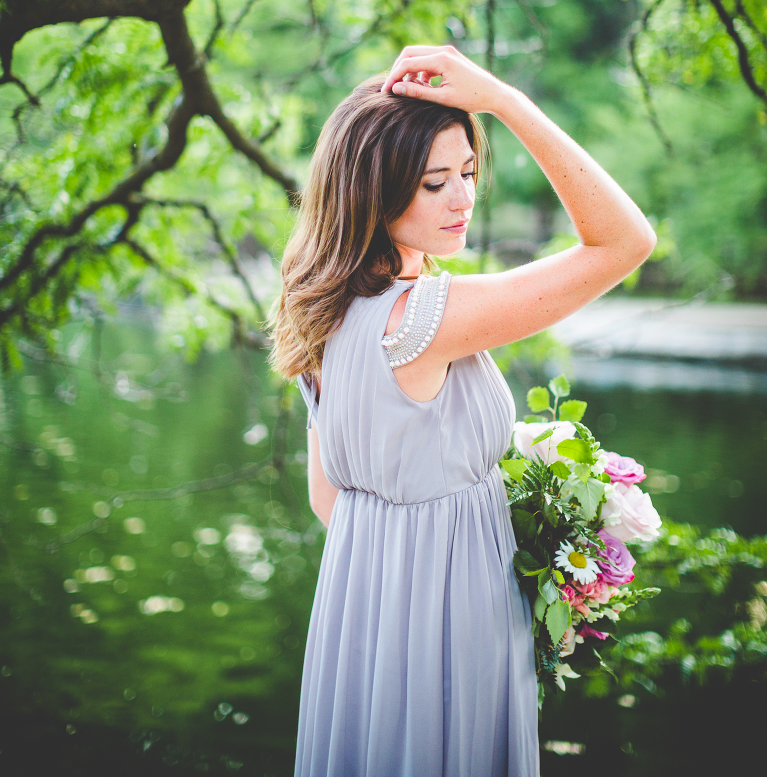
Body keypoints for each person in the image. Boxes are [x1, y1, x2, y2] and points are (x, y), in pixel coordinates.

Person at [271, 45, 656, 777]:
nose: (463, 199)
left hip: (364, 615)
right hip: (455, 612)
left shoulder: (316, 308)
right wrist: (504, 101)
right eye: (434, 182)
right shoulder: (424, 315)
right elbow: (626, 241)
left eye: (470, 173)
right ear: (374, 193)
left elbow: (331, 501)